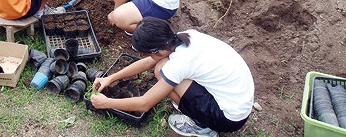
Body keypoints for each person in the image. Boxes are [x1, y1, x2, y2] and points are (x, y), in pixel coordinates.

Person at [90, 17, 254, 137]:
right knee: (161, 67)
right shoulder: (184, 36)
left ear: (157, 51)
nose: (148, 56)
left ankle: (202, 127)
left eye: (148, 53)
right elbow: (148, 62)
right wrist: (110, 78)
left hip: (227, 118)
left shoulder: (180, 63)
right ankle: (196, 108)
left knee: (162, 70)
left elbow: (144, 104)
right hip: (238, 103)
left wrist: (107, 103)